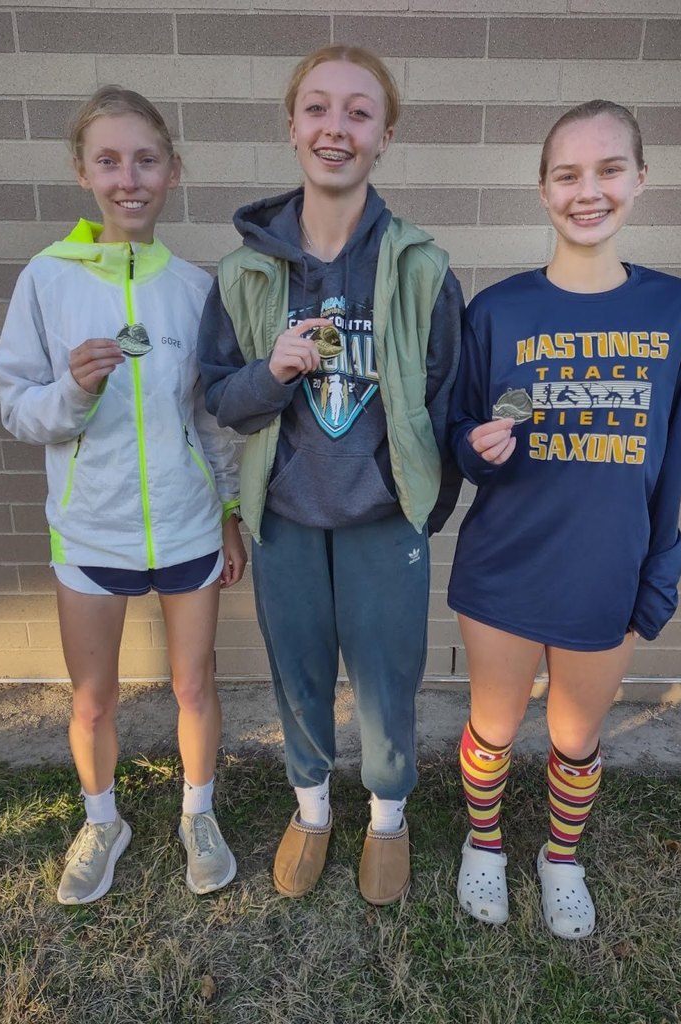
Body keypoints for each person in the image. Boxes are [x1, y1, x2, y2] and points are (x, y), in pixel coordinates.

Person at [198, 46, 463, 905]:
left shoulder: (420, 267)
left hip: (383, 516)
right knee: (299, 668)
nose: (335, 128)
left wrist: (421, 509)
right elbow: (222, 399)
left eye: (358, 111)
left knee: (386, 674)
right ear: (291, 126)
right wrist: (270, 373)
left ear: (386, 136)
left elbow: (445, 399)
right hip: (286, 513)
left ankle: (388, 816)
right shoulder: (245, 271)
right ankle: (311, 809)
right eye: (317, 108)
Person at [448, 100, 681, 939]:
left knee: (574, 735)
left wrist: (658, 566)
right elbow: (460, 438)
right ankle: (484, 843)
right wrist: (476, 448)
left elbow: (672, 452)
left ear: (640, 178)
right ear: (543, 189)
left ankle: (562, 858)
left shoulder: (676, 308)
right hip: (505, 563)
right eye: (568, 175)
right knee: (493, 727)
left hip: (605, 566)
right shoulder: (498, 310)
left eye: (608, 170)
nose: (587, 191)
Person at [0, 86, 247, 905]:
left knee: (194, 686)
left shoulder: (195, 290)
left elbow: (210, 419)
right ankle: (102, 821)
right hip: (92, 534)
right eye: (108, 161)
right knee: (94, 698)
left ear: (173, 171)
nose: (128, 179)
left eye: (145, 160)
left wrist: (230, 512)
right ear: (82, 172)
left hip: (186, 528)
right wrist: (72, 390)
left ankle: (197, 814)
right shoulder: (47, 280)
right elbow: (17, 408)